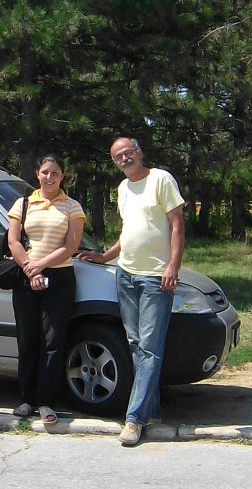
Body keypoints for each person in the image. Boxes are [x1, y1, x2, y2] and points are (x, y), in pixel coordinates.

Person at [78, 137, 185, 446]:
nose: (124, 158)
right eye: (118, 156)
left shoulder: (161, 179)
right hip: (125, 275)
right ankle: (152, 411)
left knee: (150, 348)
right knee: (136, 345)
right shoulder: (123, 188)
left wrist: (172, 266)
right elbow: (128, 232)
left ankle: (134, 419)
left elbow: (177, 225)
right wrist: (105, 257)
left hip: (155, 278)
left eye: (128, 152)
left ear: (139, 152)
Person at [7, 154, 86, 425]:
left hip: (59, 278)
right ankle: (26, 399)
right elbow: (13, 241)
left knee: (52, 342)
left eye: (55, 173)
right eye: (45, 172)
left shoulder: (72, 206)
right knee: (27, 339)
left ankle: (45, 401)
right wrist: (31, 269)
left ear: (62, 176)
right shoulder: (23, 204)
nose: (49, 177)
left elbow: (71, 245)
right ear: (37, 174)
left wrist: (40, 265)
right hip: (26, 274)